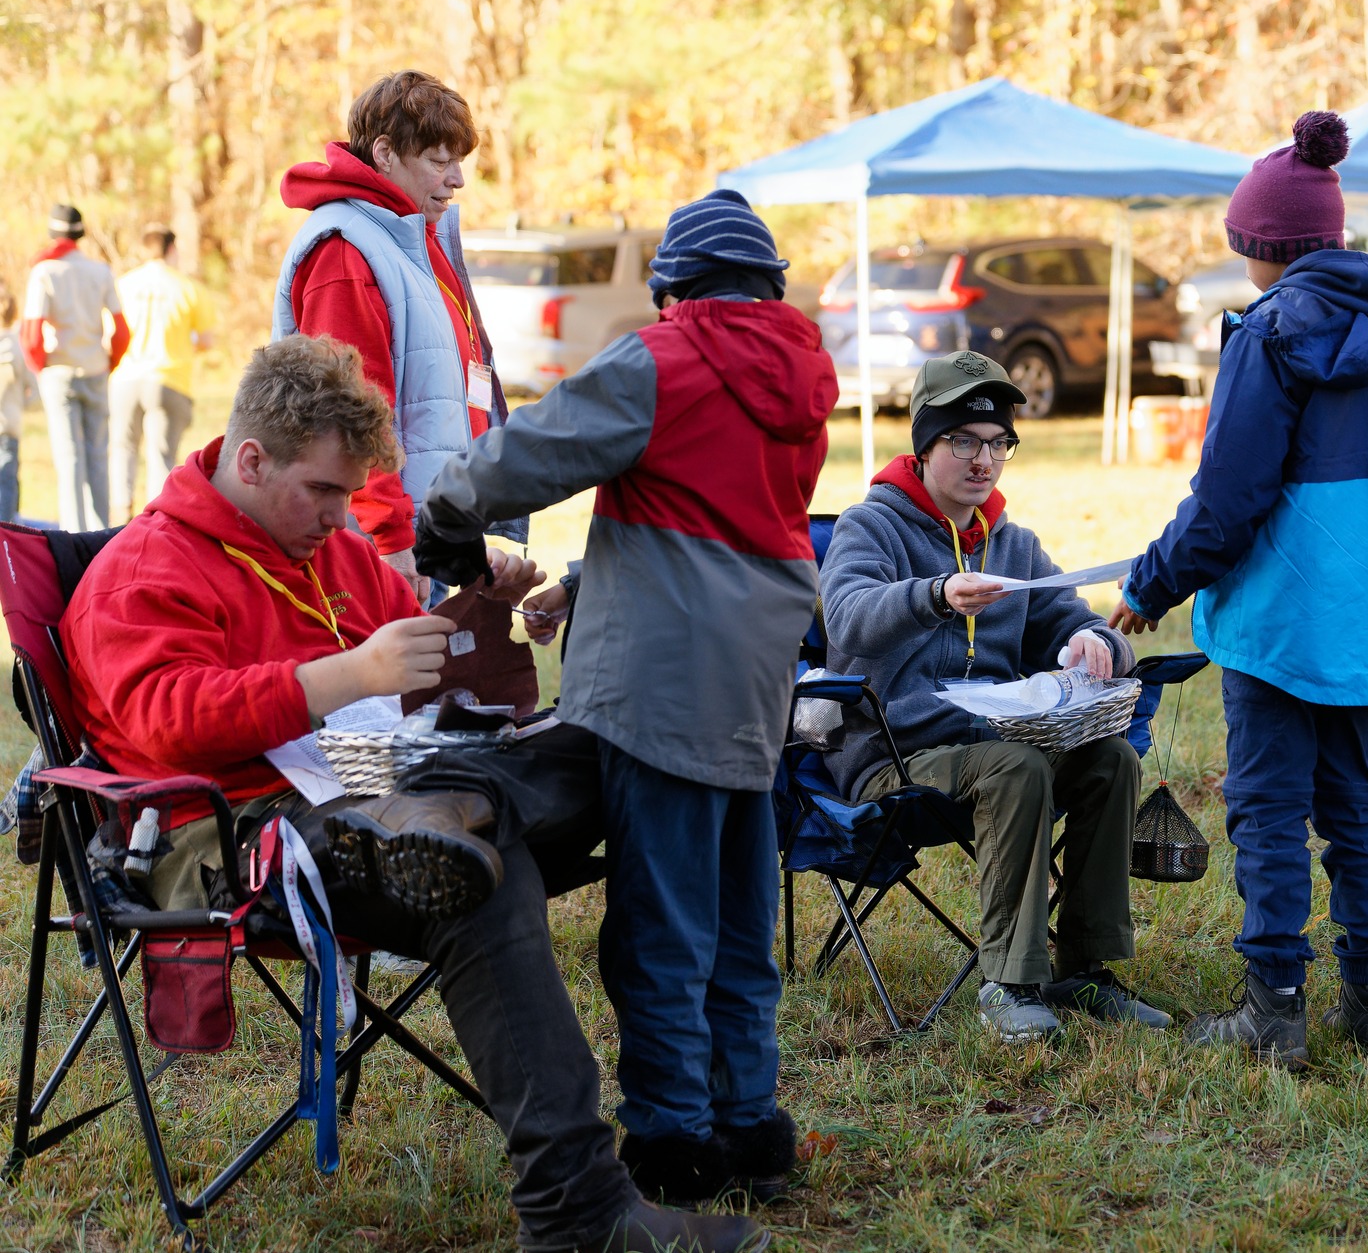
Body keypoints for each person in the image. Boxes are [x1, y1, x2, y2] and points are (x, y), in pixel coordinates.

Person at [60, 334, 765, 1253]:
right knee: (470, 867)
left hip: (379, 781)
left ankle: (452, 819)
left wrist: (476, 613)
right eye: (322, 491)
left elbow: (427, 692)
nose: (339, 516)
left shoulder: (335, 553)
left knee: (619, 750)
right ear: (248, 457)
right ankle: (581, 1214)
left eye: (351, 495)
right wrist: (341, 675)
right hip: (237, 834)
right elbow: (162, 717)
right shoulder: (146, 565)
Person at [412, 188, 834, 1211]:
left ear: (674, 286)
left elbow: (530, 452)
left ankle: (674, 1140)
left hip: (661, 679)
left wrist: (449, 514)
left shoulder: (668, 355)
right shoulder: (805, 371)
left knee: (660, 926)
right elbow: (722, 515)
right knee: (739, 909)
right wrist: (594, 580)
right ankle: (751, 1125)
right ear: (767, 285)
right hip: (753, 669)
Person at [1110, 111, 1368, 1071]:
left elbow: (1226, 499)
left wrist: (1151, 583)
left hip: (1279, 617)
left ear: (1261, 245)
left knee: (1266, 804)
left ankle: (1275, 1007)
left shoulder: (1266, 334)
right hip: (1364, 615)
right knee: (1355, 801)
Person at [820, 351, 1165, 1046]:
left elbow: (1068, 616)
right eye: (964, 441)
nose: (984, 460)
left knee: (1109, 761)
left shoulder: (1010, 543)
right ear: (924, 446)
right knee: (1016, 767)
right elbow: (848, 614)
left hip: (997, 742)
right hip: (895, 756)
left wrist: (1100, 642)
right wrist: (934, 594)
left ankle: (1083, 967)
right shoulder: (871, 526)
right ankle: (1007, 981)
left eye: (998, 442)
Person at [272, 70, 516, 603]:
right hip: (376, 548)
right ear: (384, 153)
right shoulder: (346, 250)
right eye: (438, 161)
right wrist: (391, 539)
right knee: (379, 687)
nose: (457, 180)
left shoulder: (414, 236)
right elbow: (349, 409)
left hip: (429, 530)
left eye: (460, 162)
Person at [21, 204, 128, 531]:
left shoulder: (45, 272)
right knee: (98, 455)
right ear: (80, 234)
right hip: (95, 369)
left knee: (69, 459)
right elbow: (122, 330)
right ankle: (100, 533)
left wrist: (41, 369)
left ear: (54, 233)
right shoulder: (100, 271)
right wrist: (108, 363)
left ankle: (73, 533)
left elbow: (30, 335)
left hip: (59, 371)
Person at [111, 224, 216, 521]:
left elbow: (111, 333)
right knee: (160, 456)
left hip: (125, 377)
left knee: (122, 449)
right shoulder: (188, 288)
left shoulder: (124, 284)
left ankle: (119, 520)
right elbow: (206, 340)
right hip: (169, 378)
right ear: (171, 249)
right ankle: (153, 523)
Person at [0, 280, 24, 523]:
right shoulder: (17, 347)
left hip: (7, 426)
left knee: (7, 481)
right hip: (9, 425)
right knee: (7, 482)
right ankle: (7, 530)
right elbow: (30, 388)